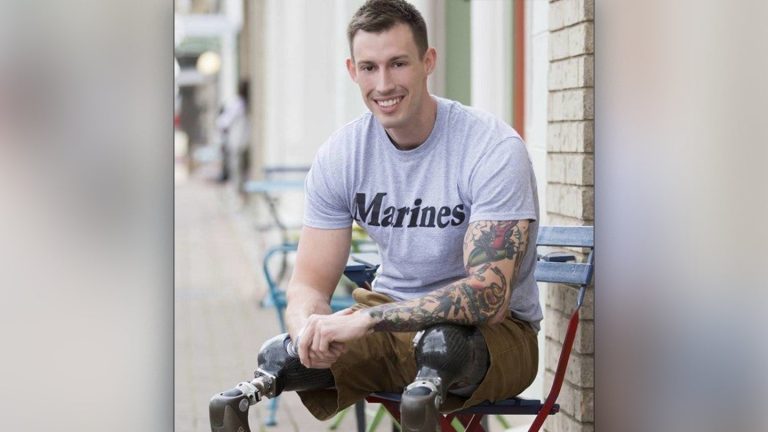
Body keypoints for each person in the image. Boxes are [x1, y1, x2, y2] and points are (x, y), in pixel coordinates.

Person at [210, 1, 541, 431]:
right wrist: (308, 330)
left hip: (495, 335)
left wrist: (367, 319)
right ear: (352, 70)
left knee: (441, 348)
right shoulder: (343, 155)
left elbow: (488, 297)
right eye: (369, 67)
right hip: (388, 324)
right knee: (278, 357)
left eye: (398, 63)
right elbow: (308, 283)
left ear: (428, 62)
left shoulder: (490, 148)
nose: (383, 84)